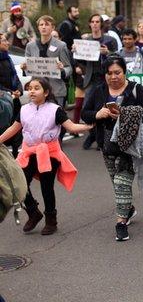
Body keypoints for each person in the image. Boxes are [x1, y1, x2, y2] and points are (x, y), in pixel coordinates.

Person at [0, 78, 92, 235]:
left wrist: (89, 126)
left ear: (46, 92)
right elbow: (13, 129)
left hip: (49, 153)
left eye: (37, 88)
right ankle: (33, 212)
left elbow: (71, 127)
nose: (32, 91)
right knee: (19, 184)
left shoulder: (55, 109)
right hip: (29, 152)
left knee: (46, 186)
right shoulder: (24, 109)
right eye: (30, 88)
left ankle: (51, 220)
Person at [81, 55, 143, 241]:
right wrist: (98, 114)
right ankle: (128, 209)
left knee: (122, 183)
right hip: (106, 144)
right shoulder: (98, 91)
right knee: (116, 182)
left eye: (117, 72)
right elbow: (85, 114)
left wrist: (125, 114)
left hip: (129, 145)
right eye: (109, 73)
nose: (113, 77)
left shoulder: (135, 89)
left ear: (125, 72)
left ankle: (121, 223)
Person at [78, 14, 118, 150]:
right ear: (90, 24)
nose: (95, 24)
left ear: (101, 24)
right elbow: (81, 61)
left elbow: (117, 57)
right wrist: (76, 53)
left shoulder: (110, 40)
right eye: (92, 22)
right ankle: (93, 134)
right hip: (91, 78)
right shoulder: (86, 40)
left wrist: (107, 52)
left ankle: (101, 136)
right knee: (89, 107)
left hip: (106, 77)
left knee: (106, 106)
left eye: (97, 22)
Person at [23, 16, 72, 107]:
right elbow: (27, 69)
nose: (43, 27)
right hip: (36, 90)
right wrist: (24, 68)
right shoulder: (30, 46)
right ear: (38, 27)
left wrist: (62, 70)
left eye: (47, 24)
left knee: (55, 119)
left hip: (56, 90)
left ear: (52, 27)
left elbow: (69, 68)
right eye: (41, 25)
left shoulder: (61, 45)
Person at [0, 34, 22, 156]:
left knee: (17, 125)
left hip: (15, 99)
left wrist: (18, 89)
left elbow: (15, 77)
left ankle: (15, 152)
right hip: (4, 101)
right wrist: (9, 93)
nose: (7, 43)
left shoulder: (8, 58)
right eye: (4, 41)